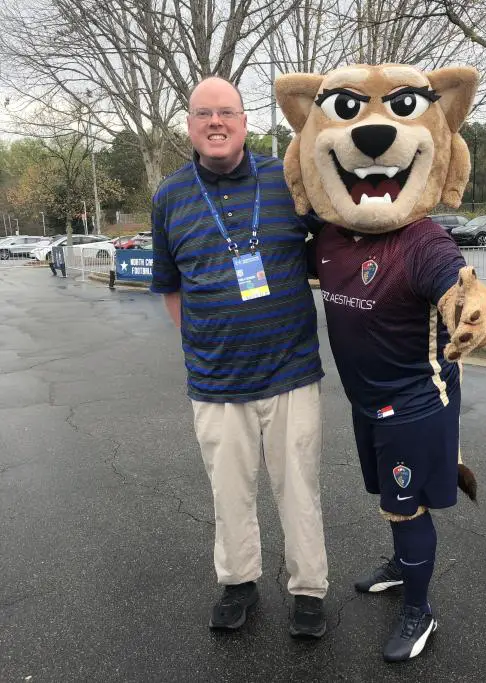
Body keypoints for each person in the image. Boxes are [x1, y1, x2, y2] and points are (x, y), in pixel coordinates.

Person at [276, 64, 486, 662]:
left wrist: (472, 310)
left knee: (408, 505)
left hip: (415, 404)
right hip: (365, 403)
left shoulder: (422, 240)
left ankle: (418, 610)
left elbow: (459, 287)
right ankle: (403, 562)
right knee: (387, 497)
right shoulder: (328, 239)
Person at [150, 76, 328, 638]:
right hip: (215, 379)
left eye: (227, 112)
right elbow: (170, 285)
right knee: (228, 493)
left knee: (299, 489)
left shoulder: (289, 180)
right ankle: (238, 583)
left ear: (246, 122)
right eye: (204, 114)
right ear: (189, 125)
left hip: (291, 373)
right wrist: (202, 342)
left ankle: (308, 589)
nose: (216, 123)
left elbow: (337, 248)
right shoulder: (170, 196)